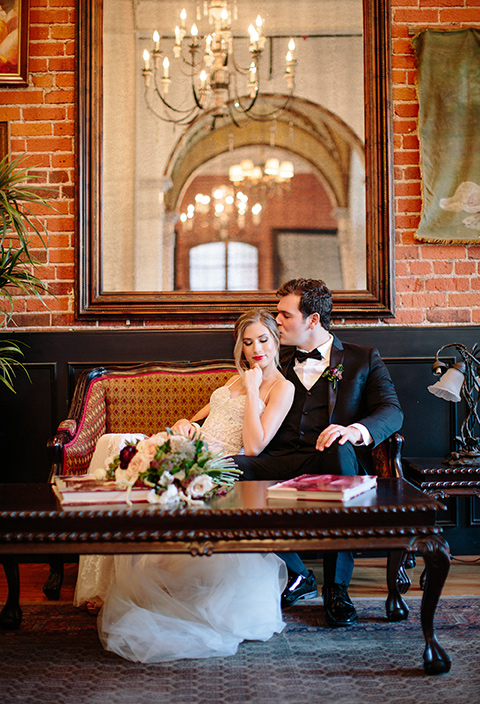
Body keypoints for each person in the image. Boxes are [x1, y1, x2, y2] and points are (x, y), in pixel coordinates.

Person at [74, 308, 295, 663]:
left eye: (263, 340)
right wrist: (183, 424)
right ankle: (102, 583)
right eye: (248, 342)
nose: (256, 349)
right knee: (112, 445)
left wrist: (255, 391)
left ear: (276, 340)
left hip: (216, 465)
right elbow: (201, 420)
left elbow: (255, 446)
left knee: (118, 447)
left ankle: (109, 584)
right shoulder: (233, 381)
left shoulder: (281, 387)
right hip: (194, 447)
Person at [235, 279, 404, 627]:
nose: (276, 322)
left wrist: (353, 431)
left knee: (340, 450)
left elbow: (393, 411)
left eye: (284, 315)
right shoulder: (272, 357)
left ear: (312, 320)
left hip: (330, 457)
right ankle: (299, 573)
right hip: (279, 456)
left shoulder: (362, 358)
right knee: (232, 469)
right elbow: (234, 399)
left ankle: (337, 588)